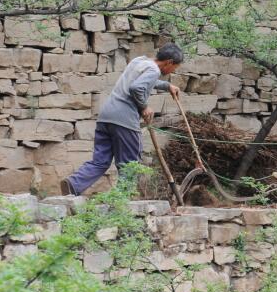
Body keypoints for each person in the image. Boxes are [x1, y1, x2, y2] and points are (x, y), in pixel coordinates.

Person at [61, 43, 184, 196]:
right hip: (124, 120)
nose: (172, 71)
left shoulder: (139, 61)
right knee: (130, 165)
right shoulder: (153, 70)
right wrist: (144, 106)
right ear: (169, 62)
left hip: (106, 117)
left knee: (100, 161)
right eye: (174, 68)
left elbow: (143, 81)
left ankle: (73, 184)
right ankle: (121, 204)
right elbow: (137, 88)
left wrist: (167, 85)